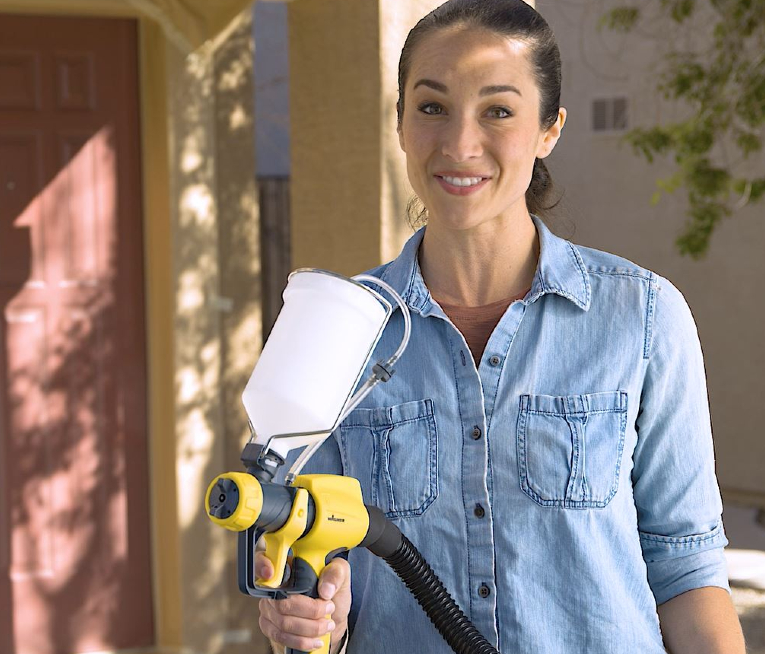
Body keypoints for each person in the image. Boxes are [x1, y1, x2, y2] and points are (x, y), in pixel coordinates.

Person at [254, 0, 747, 652]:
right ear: (400, 122)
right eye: (431, 107)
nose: (460, 144)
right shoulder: (338, 333)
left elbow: (688, 571)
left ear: (549, 130)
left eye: (498, 110)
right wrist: (304, 620)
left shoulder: (642, 319)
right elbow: (304, 573)